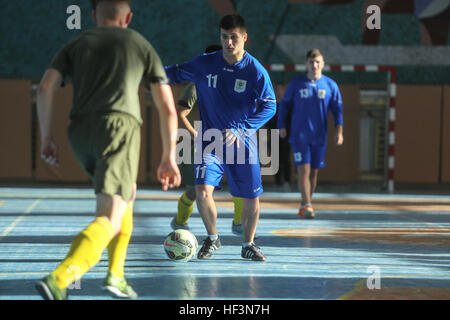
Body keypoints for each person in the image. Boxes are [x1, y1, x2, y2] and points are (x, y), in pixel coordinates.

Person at [34, 0, 181, 300]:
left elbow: (46, 88)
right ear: (128, 17)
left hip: (79, 132)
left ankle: (116, 274)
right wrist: (168, 156)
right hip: (118, 129)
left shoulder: (76, 43)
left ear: (93, 15)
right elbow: (166, 106)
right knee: (110, 216)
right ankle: (60, 278)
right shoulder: (139, 43)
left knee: (127, 195)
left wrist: (47, 136)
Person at [165, 14, 276, 261]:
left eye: (233, 38)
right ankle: (213, 238)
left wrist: (242, 129)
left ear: (244, 38)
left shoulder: (256, 71)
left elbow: (270, 106)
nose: (228, 43)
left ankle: (248, 244)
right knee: (202, 190)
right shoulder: (205, 63)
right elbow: (175, 72)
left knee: (251, 198)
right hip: (210, 140)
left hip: (242, 142)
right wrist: (149, 74)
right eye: (224, 37)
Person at [171, 45, 247, 237]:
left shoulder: (231, 84)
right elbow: (181, 113)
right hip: (200, 145)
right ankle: (180, 221)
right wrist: (195, 134)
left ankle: (238, 223)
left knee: (238, 185)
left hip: (225, 143)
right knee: (194, 190)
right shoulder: (197, 84)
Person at [278, 49, 343, 219]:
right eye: (311, 62)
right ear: (306, 64)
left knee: (314, 172)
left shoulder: (330, 85)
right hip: (299, 135)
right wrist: (281, 125)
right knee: (304, 170)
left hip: (320, 136)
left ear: (323, 64)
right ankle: (307, 204)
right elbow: (284, 106)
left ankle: (305, 202)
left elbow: (337, 111)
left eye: (317, 62)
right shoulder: (296, 83)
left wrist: (339, 132)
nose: (314, 65)